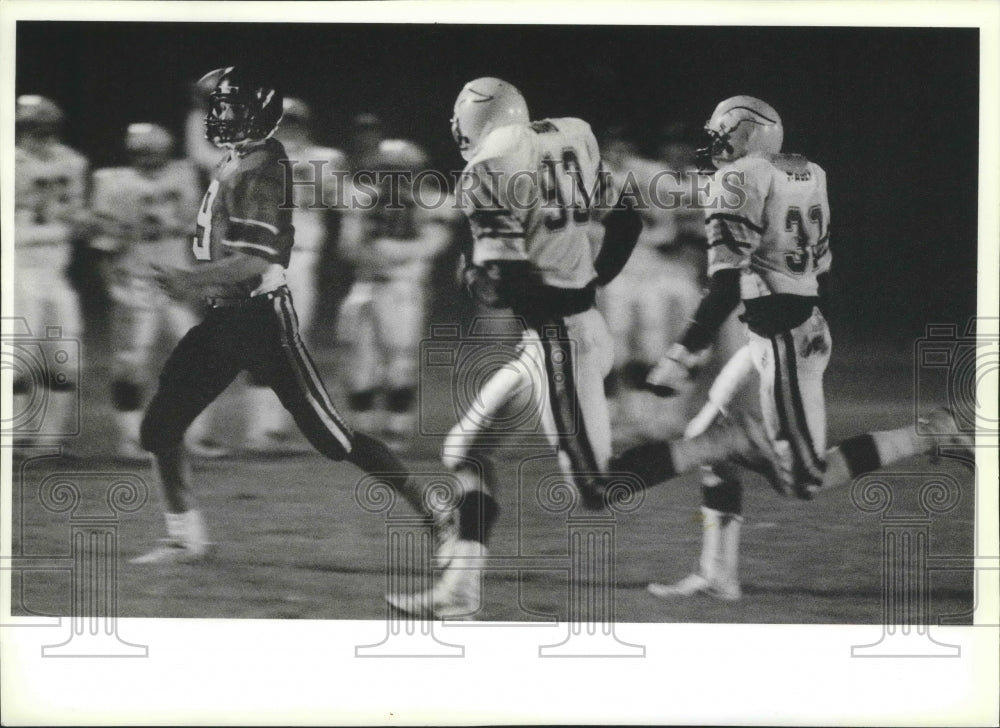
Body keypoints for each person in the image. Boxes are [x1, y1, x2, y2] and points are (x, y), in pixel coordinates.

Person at [131, 67, 423, 564]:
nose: (215, 119)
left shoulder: (263, 168)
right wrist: (201, 100)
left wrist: (187, 280)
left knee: (334, 438)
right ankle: (186, 537)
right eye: (215, 110)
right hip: (227, 314)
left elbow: (255, 259)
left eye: (224, 110)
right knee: (160, 429)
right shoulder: (235, 161)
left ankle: (436, 511)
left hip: (263, 318)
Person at [386, 77, 645, 618]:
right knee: (465, 449)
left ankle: (721, 445)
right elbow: (627, 221)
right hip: (557, 332)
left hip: (558, 337)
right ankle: (460, 592)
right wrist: (590, 282)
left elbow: (510, 278)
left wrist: (481, 280)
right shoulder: (573, 135)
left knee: (594, 488)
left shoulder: (487, 168)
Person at [646, 343, 974, 601]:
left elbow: (731, 289)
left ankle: (932, 433)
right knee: (718, 449)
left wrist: (684, 349)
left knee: (803, 478)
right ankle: (718, 575)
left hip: (778, 350)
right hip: (776, 345)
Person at [90, 123, 226, 461]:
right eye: (141, 152)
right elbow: (102, 248)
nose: (148, 159)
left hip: (175, 280)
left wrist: (198, 277)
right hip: (137, 281)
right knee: (130, 363)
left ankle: (196, 435)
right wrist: (113, 288)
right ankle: (130, 440)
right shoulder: (113, 183)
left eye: (153, 152)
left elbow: (197, 234)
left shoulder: (182, 176)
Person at [241, 96, 347, 453]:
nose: (286, 128)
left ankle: (274, 428)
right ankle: (262, 430)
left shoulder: (325, 158)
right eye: (280, 121)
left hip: (302, 259)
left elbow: (345, 200)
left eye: (292, 122)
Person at [337, 138, 456, 445]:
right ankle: (361, 435)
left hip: (404, 287)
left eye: (398, 171)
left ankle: (395, 431)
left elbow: (434, 244)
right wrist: (369, 252)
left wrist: (390, 251)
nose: (390, 177)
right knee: (360, 363)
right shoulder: (364, 201)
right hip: (365, 285)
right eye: (385, 170)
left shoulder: (432, 201)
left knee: (400, 362)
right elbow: (347, 246)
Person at [13, 95, 90, 449]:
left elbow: (76, 212)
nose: (39, 136)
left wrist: (87, 221)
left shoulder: (72, 162)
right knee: (18, 356)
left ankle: (47, 440)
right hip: (17, 271)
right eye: (31, 128)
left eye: (45, 129)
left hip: (56, 273)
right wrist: (63, 230)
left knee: (63, 355)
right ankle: (13, 438)